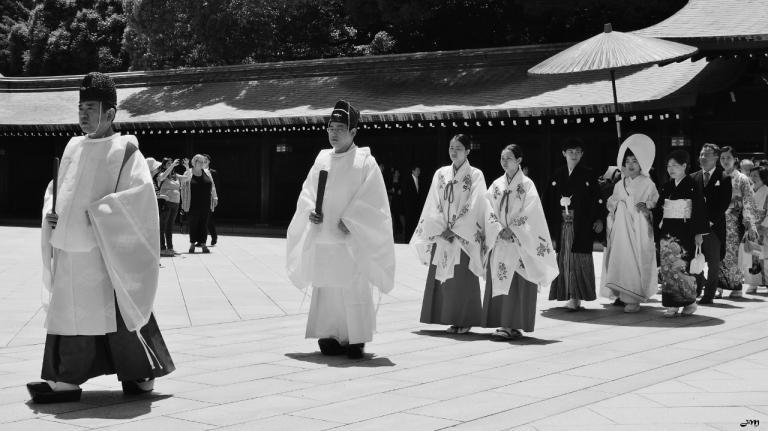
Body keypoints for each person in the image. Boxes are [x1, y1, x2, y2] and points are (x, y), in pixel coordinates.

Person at [29, 72, 174, 404]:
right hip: (70, 248)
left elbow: (138, 200)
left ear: (110, 113)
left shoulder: (126, 151)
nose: (83, 114)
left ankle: (140, 374)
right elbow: (58, 189)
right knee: (70, 313)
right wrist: (51, 211)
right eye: (81, 107)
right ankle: (66, 380)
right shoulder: (72, 147)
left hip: (106, 251)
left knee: (121, 308)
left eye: (91, 107)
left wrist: (102, 216)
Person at [286, 100, 394, 359]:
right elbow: (308, 191)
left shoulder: (365, 161)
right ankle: (329, 333)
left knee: (352, 287)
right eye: (330, 127)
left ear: (354, 131)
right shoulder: (322, 158)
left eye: (340, 128)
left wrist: (353, 219)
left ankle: (355, 338)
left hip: (350, 238)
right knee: (327, 287)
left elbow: (374, 199)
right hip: (324, 235)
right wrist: (310, 209)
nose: (333, 133)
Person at [411, 134, 491, 334]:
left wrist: (454, 229)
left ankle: (464, 319)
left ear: (467, 151)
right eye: (451, 148)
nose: (454, 152)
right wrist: (441, 228)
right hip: (442, 232)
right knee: (443, 278)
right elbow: (433, 202)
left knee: (462, 279)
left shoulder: (475, 175)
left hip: (462, 236)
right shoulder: (440, 173)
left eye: (459, 148)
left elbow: (474, 205)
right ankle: (443, 316)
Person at [483, 144, 558, 339]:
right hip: (500, 240)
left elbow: (531, 212)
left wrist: (513, 229)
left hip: (519, 242)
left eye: (508, 158)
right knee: (501, 278)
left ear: (519, 160)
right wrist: (499, 228)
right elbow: (488, 209)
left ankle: (513, 324)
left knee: (518, 283)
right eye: (502, 158)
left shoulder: (527, 185)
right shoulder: (496, 185)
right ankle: (503, 323)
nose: (504, 161)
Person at [600, 134, 659, 312]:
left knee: (636, 261)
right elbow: (611, 203)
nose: (631, 164)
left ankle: (634, 297)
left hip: (638, 230)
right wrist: (617, 205)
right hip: (621, 232)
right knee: (620, 260)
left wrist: (647, 208)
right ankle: (621, 293)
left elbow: (655, 203)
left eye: (635, 160)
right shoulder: (619, 184)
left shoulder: (648, 183)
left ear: (641, 163)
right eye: (628, 161)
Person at [543, 138, 603, 310]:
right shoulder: (557, 174)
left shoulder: (589, 174)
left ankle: (576, 296)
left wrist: (599, 219)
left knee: (579, 258)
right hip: (562, 224)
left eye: (577, 151)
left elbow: (597, 199)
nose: (574, 155)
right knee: (563, 257)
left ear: (582, 154)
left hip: (581, 224)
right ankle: (564, 292)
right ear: (564, 154)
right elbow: (547, 200)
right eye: (570, 152)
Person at [654, 150, 708, 317]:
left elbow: (699, 209)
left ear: (684, 166)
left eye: (675, 166)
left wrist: (698, 233)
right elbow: (659, 209)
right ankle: (675, 304)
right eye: (668, 166)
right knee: (668, 268)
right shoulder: (667, 185)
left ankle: (687, 302)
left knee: (682, 268)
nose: (671, 169)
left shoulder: (693, 184)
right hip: (668, 230)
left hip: (685, 231)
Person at [691, 143, 733, 305]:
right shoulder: (693, 177)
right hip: (695, 227)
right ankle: (697, 287)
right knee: (694, 259)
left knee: (713, 262)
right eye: (701, 154)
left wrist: (706, 224)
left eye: (707, 154)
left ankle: (709, 294)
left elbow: (723, 205)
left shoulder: (724, 178)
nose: (703, 157)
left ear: (716, 157)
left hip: (713, 227)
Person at [716, 147, 758, 299]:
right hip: (717, 220)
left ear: (735, 159)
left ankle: (735, 286)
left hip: (734, 220)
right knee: (717, 253)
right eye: (722, 158)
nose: (725, 161)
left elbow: (748, 201)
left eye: (728, 158)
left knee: (732, 254)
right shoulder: (717, 176)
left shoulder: (742, 179)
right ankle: (718, 287)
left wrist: (748, 221)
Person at [179, 154, 218, 254]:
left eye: (203, 162)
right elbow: (184, 183)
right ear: (194, 162)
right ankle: (192, 244)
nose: (202, 163)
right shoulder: (189, 172)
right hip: (192, 203)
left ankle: (203, 245)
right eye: (200, 161)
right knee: (193, 224)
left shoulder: (207, 172)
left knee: (204, 224)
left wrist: (215, 196)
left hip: (205, 203)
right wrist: (187, 168)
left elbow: (212, 185)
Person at [746, 166, 768, 293]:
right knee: (750, 255)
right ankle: (752, 283)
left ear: (763, 177)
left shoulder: (767, 191)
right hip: (750, 226)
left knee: (764, 256)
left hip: (764, 227)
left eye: (755, 175)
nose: (752, 178)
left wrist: (762, 225)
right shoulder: (749, 191)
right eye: (751, 175)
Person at [156, 158, 184, 256]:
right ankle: (162, 248)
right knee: (162, 226)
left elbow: (186, 178)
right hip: (166, 203)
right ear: (164, 165)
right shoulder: (161, 174)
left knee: (169, 226)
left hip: (175, 203)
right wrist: (172, 166)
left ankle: (170, 247)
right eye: (168, 163)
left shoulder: (175, 176)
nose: (171, 164)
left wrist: (188, 166)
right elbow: (162, 177)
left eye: (171, 163)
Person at [403, 165, 424, 239]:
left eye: (419, 170)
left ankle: (413, 239)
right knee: (408, 224)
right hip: (409, 207)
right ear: (413, 171)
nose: (419, 172)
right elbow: (405, 194)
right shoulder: (408, 180)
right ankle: (407, 240)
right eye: (417, 170)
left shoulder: (419, 180)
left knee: (415, 224)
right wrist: (408, 206)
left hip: (416, 208)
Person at [202, 154, 218, 246]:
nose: (204, 162)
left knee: (209, 219)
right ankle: (201, 240)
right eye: (203, 160)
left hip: (210, 198)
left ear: (209, 161)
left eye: (206, 160)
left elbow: (216, 186)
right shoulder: (198, 171)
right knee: (202, 219)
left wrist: (215, 197)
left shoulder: (213, 172)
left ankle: (214, 236)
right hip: (201, 198)